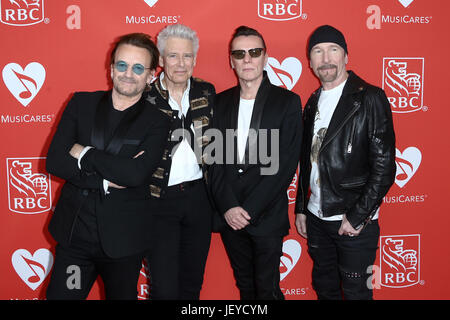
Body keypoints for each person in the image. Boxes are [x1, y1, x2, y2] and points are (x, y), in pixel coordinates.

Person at [45, 33, 169, 299]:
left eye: (138, 68)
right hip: (75, 239)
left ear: (150, 76)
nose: (128, 73)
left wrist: (84, 152)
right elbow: (56, 161)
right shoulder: (81, 104)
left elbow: (135, 174)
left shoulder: (157, 121)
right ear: (112, 69)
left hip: (124, 244)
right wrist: (104, 179)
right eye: (122, 65)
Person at [294, 25, 396, 300]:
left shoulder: (369, 98)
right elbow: (308, 161)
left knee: (356, 295)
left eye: (333, 50)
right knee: (325, 290)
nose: (325, 58)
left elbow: (385, 168)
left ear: (346, 56)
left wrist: (357, 216)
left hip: (353, 222)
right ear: (310, 61)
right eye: (317, 51)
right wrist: (303, 208)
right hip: (317, 219)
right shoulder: (312, 102)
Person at [210, 25, 302, 300]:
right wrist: (228, 207)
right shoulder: (220, 102)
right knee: (246, 287)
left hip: (265, 215)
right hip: (229, 216)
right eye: (239, 53)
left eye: (254, 52)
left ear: (265, 57)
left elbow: (285, 165)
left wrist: (247, 210)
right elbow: (212, 162)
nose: (247, 59)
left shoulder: (287, 102)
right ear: (231, 61)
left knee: (268, 289)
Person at [145, 24, 215, 300]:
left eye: (187, 56)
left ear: (195, 60)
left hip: (199, 199)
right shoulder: (145, 97)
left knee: (192, 283)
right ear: (161, 60)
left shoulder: (206, 92)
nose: (181, 63)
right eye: (173, 56)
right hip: (158, 200)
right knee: (163, 287)